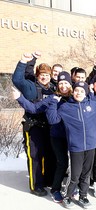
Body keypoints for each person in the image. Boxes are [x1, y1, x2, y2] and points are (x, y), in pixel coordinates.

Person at [12, 71, 72, 202]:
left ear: (70, 84)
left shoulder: (76, 96)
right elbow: (33, 109)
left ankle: (68, 186)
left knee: (70, 162)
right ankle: (52, 188)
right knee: (61, 162)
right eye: (61, 83)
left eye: (66, 82)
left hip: (72, 136)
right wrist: (19, 98)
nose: (63, 85)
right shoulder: (52, 98)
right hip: (57, 135)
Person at [12, 53, 56, 197]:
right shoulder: (30, 86)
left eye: (47, 75)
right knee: (35, 156)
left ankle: (47, 180)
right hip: (33, 127)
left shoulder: (52, 88)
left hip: (48, 127)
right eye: (42, 75)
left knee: (49, 155)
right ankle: (36, 185)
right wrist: (23, 61)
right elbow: (17, 79)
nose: (44, 77)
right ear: (37, 75)